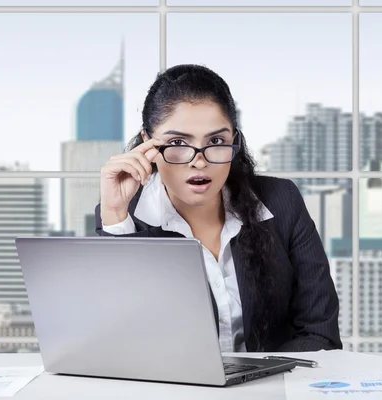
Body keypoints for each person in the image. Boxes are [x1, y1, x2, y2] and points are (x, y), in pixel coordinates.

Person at [94, 64, 342, 353]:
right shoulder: (125, 216)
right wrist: (114, 216)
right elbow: (119, 344)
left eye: (215, 141)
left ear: (234, 140)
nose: (199, 161)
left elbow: (320, 333)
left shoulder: (281, 200)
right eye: (177, 142)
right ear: (148, 145)